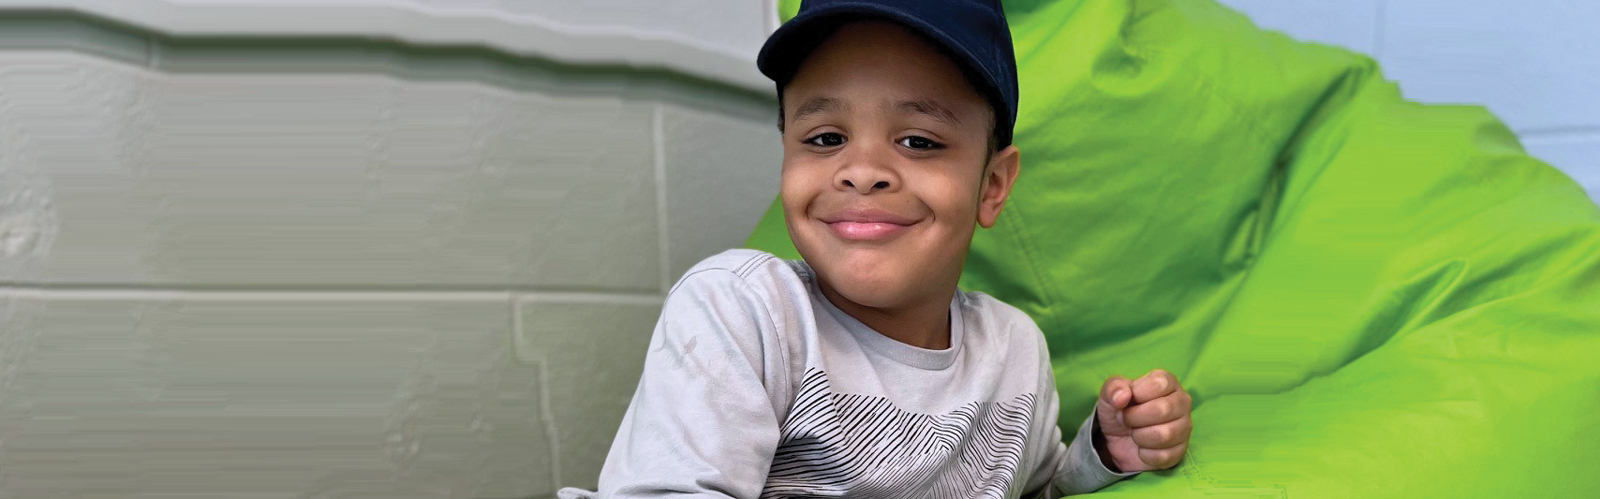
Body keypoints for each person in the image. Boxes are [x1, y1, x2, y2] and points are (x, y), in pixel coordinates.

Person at [559, 1, 1193, 497]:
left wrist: (1106, 454)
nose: (862, 170)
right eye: (826, 137)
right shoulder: (743, 311)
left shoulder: (1014, 351)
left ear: (992, 186)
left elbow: (1036, 485)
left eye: (918, 141)